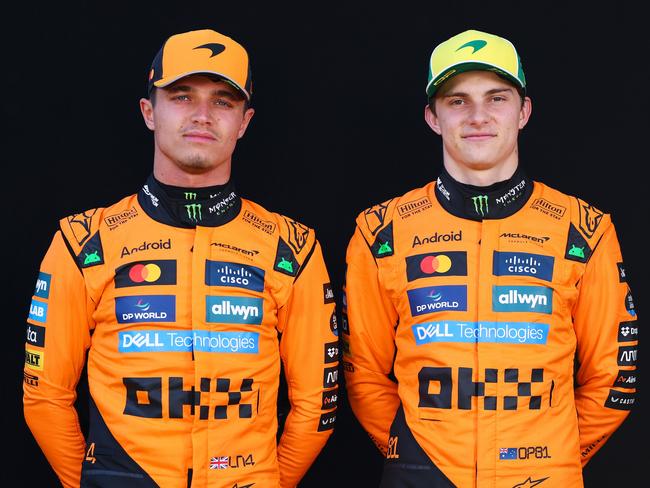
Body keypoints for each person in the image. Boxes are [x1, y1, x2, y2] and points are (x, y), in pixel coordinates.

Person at [23, 28, 338, 488]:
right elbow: (44, 397)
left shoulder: (293, 247)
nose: (203, 116)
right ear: (149, 112)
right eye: (182, 96)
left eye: (223, 101)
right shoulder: (82, 242)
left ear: (245, 122)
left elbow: (317, 404)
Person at [342, 29, 637, 487]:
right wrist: (417, 457)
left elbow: (613, 376)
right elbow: (362, 373)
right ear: (432, 117)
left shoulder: (585, 228)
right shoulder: (381, 230)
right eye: (457, 101)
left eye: (496, 98)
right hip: (421, 474)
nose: (478, 116)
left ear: (524, 112)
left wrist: (551, 456)